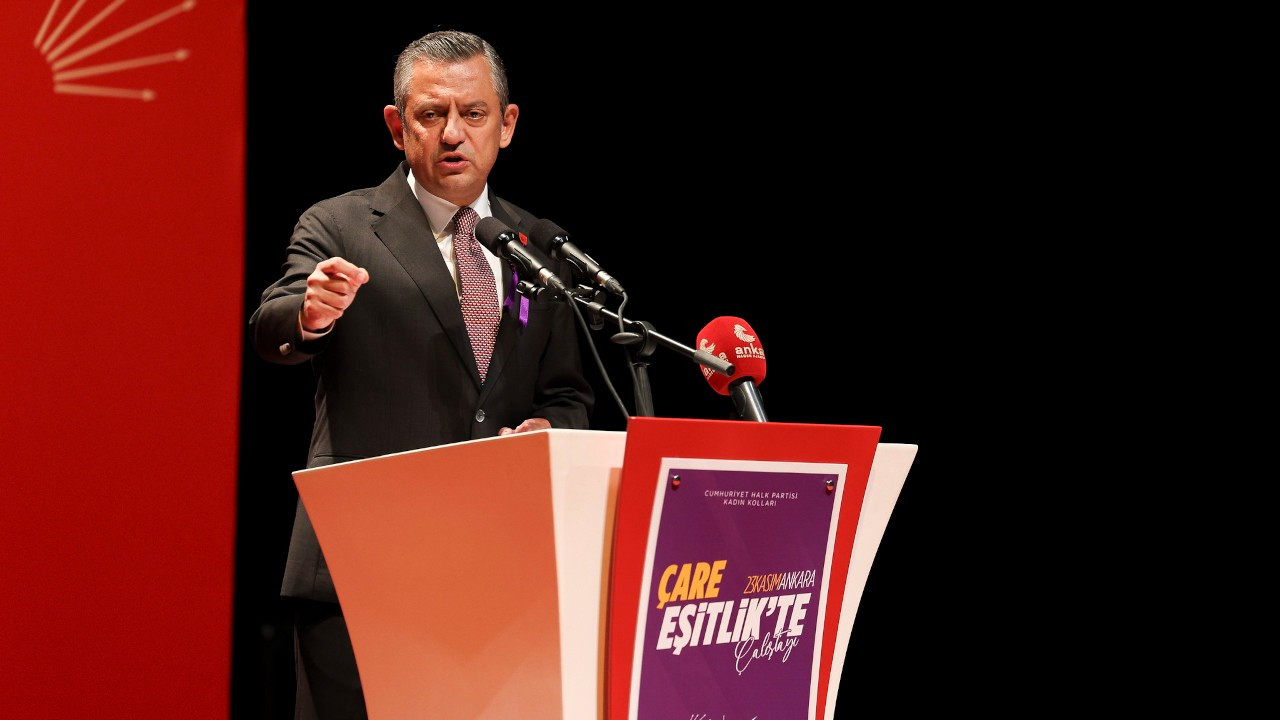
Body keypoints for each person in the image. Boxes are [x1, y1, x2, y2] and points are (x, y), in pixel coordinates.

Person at [249, 29, 594, 720]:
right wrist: (311, 314)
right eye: (432, 115)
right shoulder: (342, 225)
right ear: (396, 126)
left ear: (507, 124)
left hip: (496, 574)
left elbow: (567, 396)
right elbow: (273, 325)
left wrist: (546, 429)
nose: (453, 134)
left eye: (473, 113)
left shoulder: (536, 246)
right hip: (361, 573)